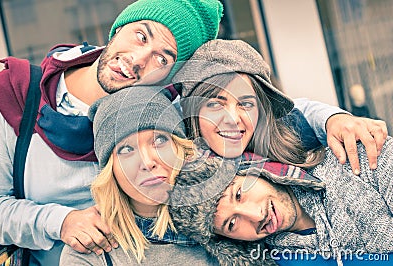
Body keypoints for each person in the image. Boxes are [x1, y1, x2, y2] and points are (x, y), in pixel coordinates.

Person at [0, 0, 223, 265]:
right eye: (141, 36)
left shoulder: (168, 116)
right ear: (118, 28)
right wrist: (61, 222)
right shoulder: (15, 93)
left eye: (161, 59)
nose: (137, 60)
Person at [173, 39, 388, 173]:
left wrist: (334, 119)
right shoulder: (170, 166)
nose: (232, 118)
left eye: (246, 103)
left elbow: (299, 112)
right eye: (215, 104)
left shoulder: (284, 145)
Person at [169, 137, 393, 265]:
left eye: (238, 194)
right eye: (232, 224)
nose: (256, 216)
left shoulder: (360, 160)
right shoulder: (276, 260)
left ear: (250, 171)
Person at [60, 86, 217, 265]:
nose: (147, 162)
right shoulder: (90, 248)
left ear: (182, 150)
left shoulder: (225, 222)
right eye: (126, 149)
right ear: (111, 171)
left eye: (159, 140)